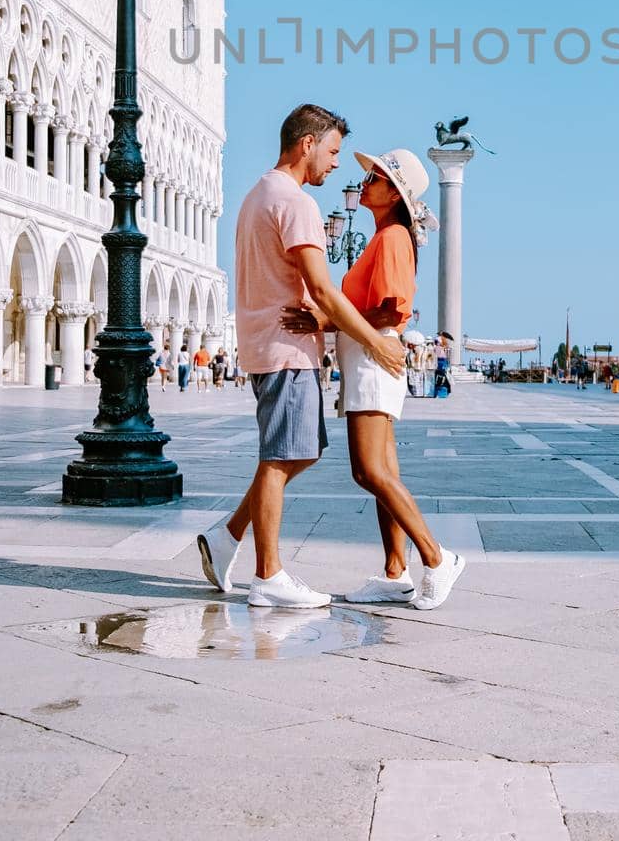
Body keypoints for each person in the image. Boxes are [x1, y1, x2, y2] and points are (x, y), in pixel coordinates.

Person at [196, 104, 406, 610]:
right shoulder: (296, 202)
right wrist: (377, 341)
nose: (337, 166)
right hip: (286, 347)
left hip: (264, 342)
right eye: (333, 151)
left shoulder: (256, 194)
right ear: (307, 144)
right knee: (280, 457)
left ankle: (227, 537)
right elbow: (323, 290)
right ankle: (267, 575)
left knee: (299, 448)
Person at [284, 145, 464, 611]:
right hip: (366, 355)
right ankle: (394, 571)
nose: (365, 183)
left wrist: (326, 321)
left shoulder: (391, 239)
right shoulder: (386, 237)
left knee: (368, 470)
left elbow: (389, 308)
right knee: (384, 471)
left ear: (394, 195)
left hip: (371, 355)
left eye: (376, 178)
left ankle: (436, 557)